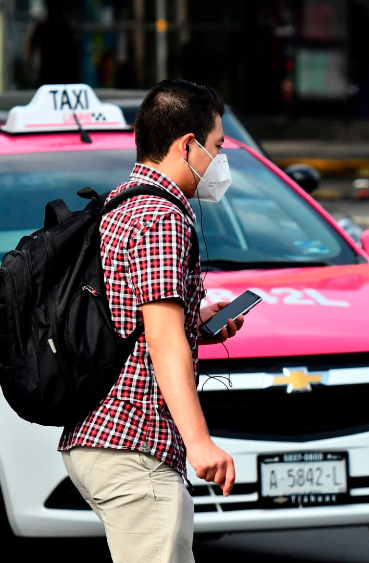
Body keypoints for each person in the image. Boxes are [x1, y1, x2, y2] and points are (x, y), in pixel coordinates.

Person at [59, 79, 243, 563]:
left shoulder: (122, 202)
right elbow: (162, 340)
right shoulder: (162, 217)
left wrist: (193, 320)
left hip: (100, 435)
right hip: (135, 442)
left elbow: (131, 313)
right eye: (218, 146)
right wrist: (200, 443)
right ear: (188, 145)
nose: (220, 160)